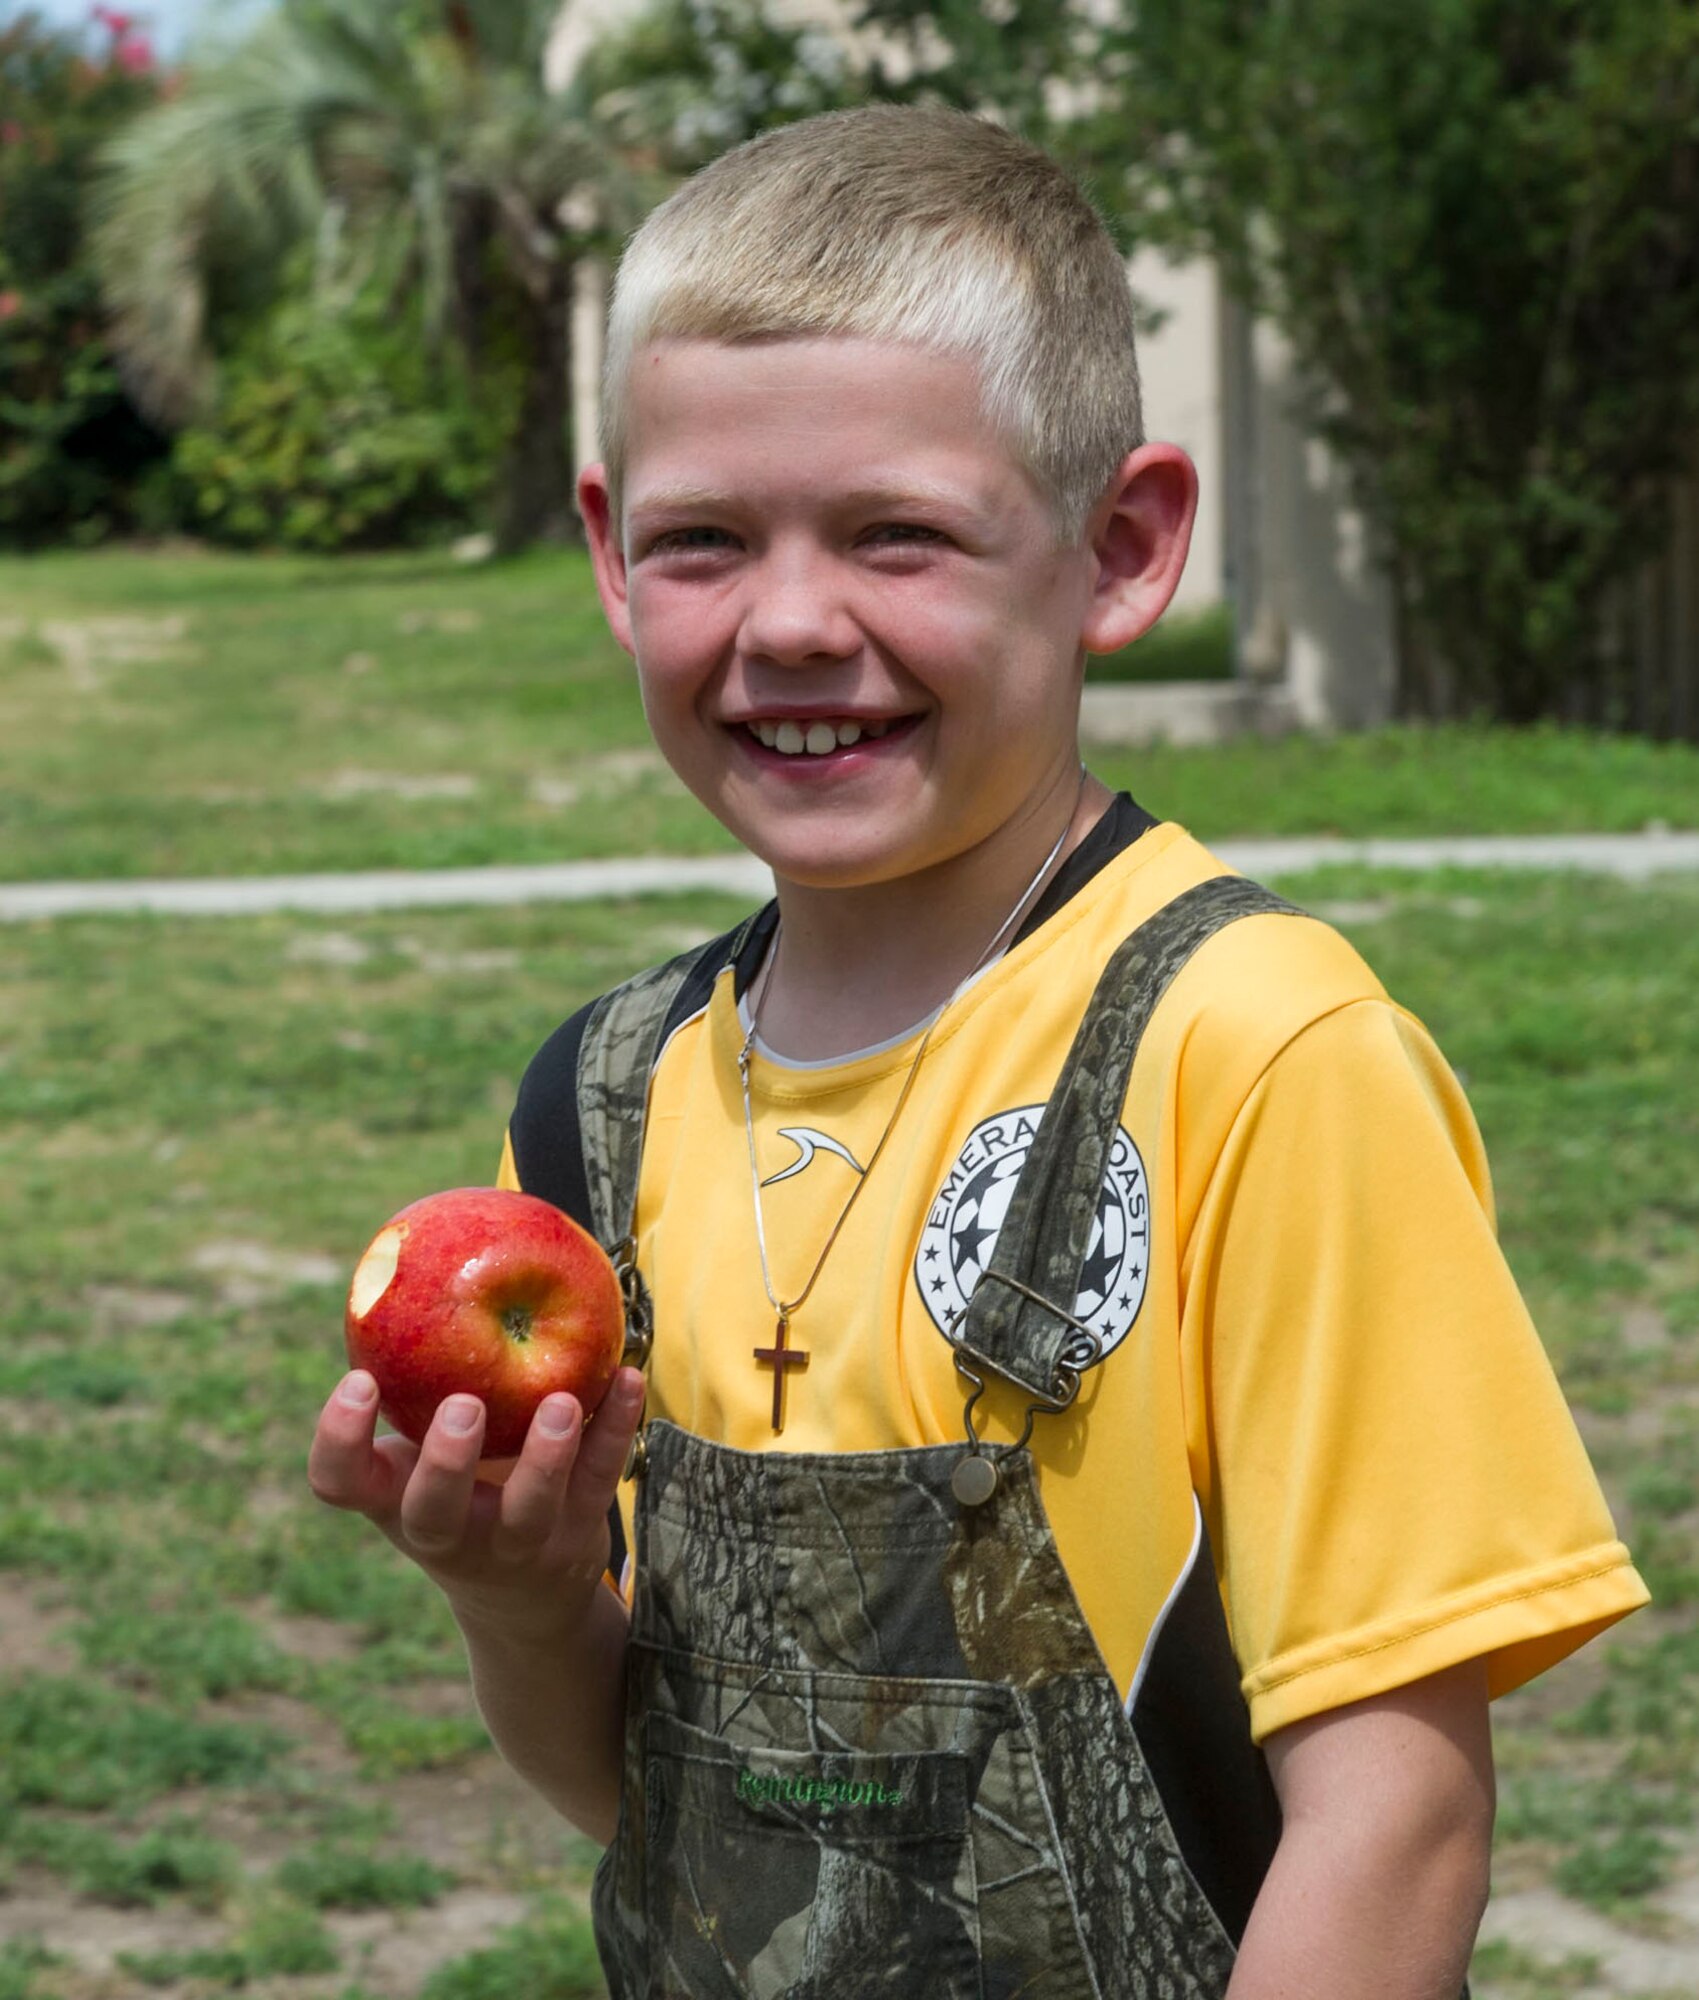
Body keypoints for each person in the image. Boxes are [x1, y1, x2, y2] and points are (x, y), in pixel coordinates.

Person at [309, 105, 1648, 1998]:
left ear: (1119, 548)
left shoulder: (1253, 1052)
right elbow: (660, 1802)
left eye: (897, 536)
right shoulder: (600, 1106)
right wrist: (517, 1600)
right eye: (705, 540)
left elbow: (1398, 1820)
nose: (788, 623)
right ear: (611, 554)